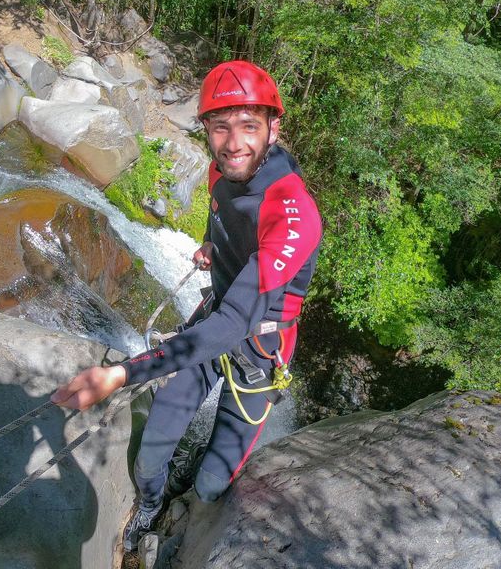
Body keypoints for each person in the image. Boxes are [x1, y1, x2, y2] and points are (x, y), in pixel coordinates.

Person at [51, 60, 322, 551]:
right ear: (206, 130)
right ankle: (152, 506)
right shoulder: (224, 170)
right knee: (150, 456)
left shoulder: (293, 214)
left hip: (257, 353)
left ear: (273, 128)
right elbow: (225, 216)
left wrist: (121, 374)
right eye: (221, 127)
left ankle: (188, 514)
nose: (233, 142)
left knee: (212, 486)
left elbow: (237, 321)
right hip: (213, 324)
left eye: (248, 127)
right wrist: (211, 247)